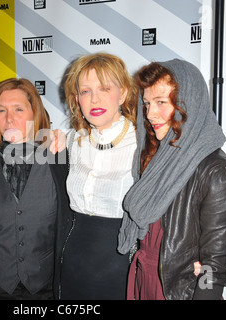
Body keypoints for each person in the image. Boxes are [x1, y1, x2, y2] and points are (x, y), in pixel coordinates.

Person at [118, 59, 226, 300]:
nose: (150, 114)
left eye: (161, 103)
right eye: (146, 104)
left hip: (177, 291)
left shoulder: (216, 171)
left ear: (188, 103)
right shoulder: (156, 156)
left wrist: (205, 294)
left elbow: (214, 267)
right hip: (143, 279)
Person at [0, 78, 73, 299]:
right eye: (1, 110)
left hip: (45, 285)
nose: (9, 118)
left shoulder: (60, 158)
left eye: (18, 109)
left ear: (35, 113)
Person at [58, 52, 138, 299]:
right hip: (73, 261)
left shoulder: (143, 144)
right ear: (76, 98)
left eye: (104, 88)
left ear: (122, 94)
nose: (94, 99)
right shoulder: (71, 141)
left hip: (121, 264)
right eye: (85, 91)